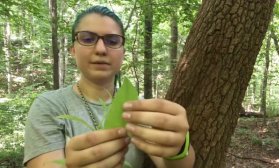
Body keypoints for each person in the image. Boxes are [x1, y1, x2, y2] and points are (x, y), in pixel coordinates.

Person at [23, 5, 195, 168]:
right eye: (88, 39)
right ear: (73, 50)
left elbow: (175, 165)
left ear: (123, 52)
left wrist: (178, 147)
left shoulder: (137, 108)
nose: (100, 49)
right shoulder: (49, 106)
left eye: (112, 41)